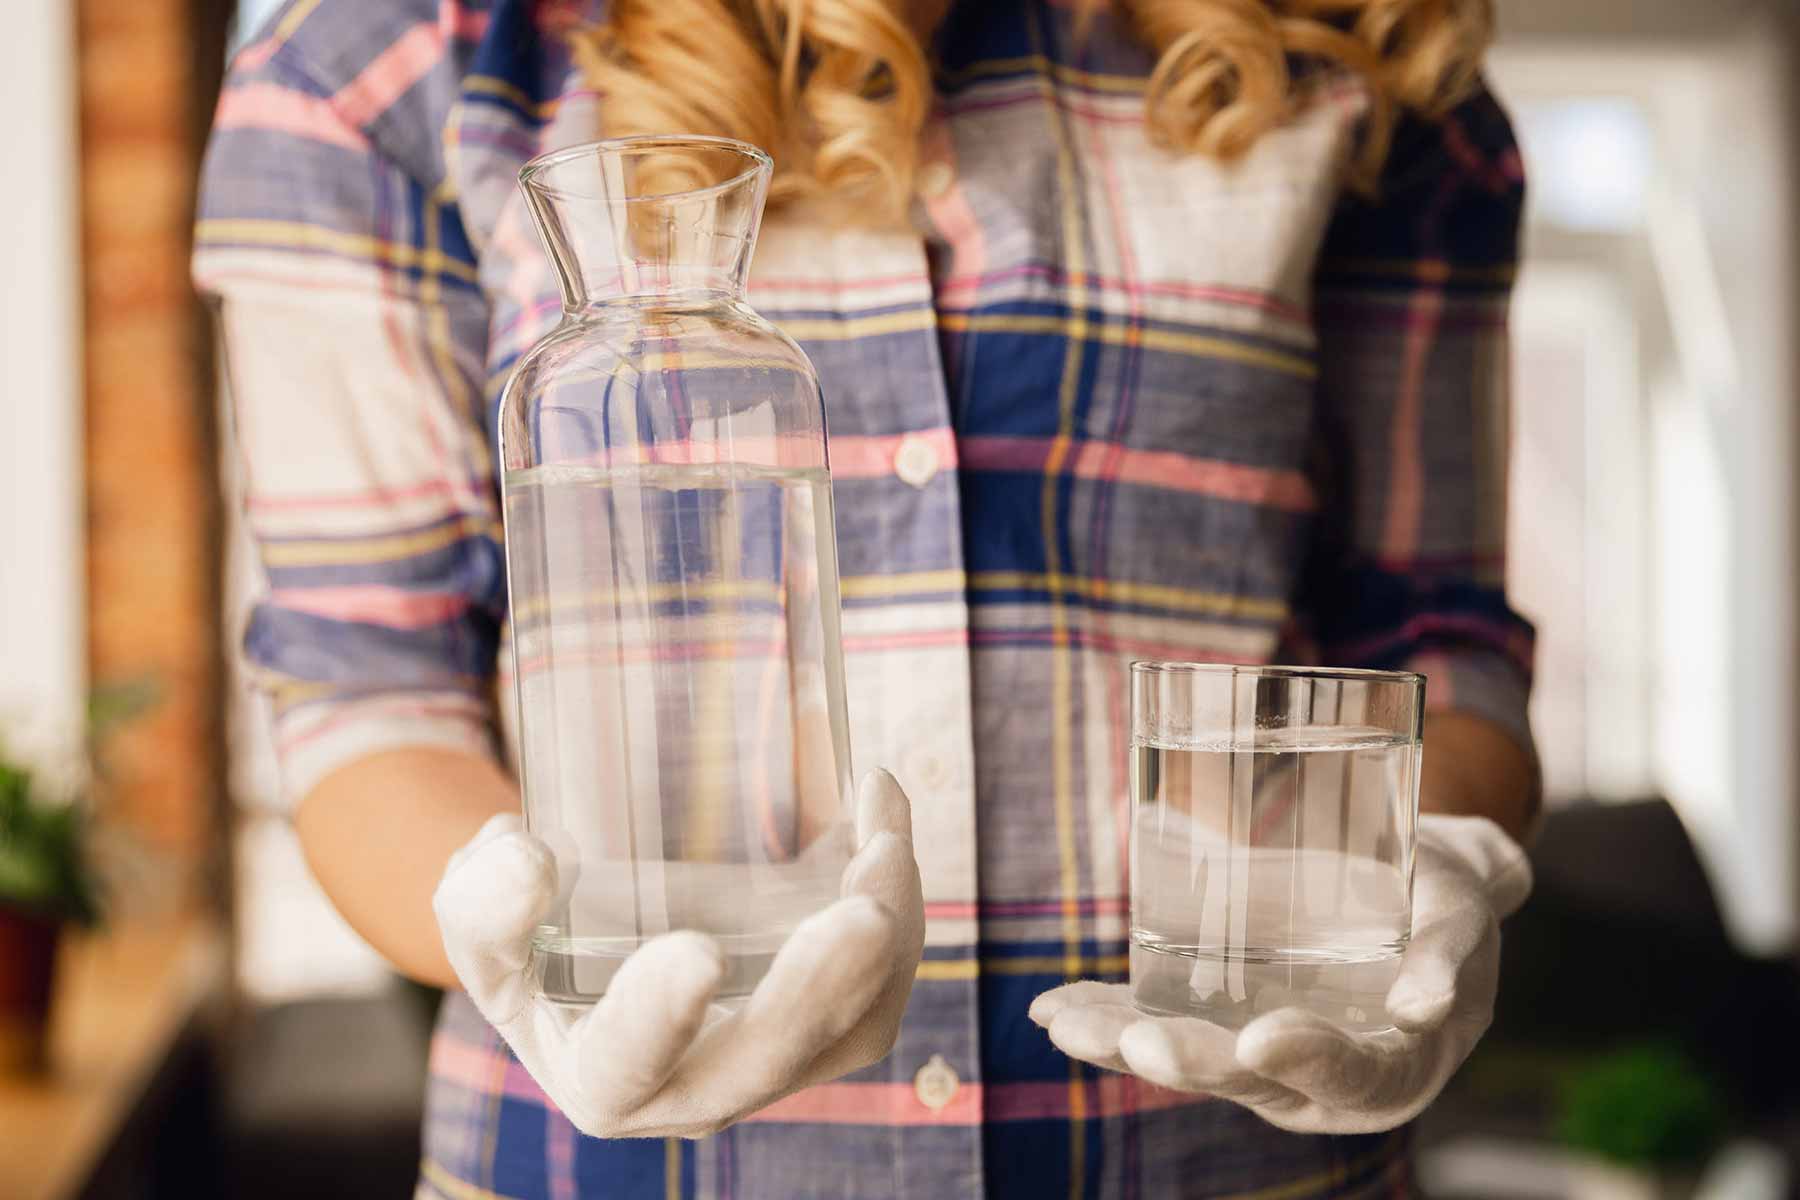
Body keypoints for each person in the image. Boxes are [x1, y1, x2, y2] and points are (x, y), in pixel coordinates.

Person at [195, 0, 1540, 1195]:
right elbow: (367, 696)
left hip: (1230, 1157)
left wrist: (1416, 879)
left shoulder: (1363, 52)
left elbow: (1436, 643)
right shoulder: (379, 65)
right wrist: (536, 950)